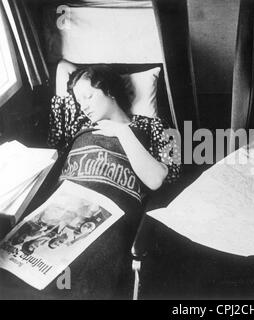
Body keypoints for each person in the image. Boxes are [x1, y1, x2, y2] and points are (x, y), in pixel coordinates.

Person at [0, 64, 181, 299]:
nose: (83, 105)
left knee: (78, 283)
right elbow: (63, 72)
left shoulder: (157, 127)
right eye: (79, 100)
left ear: (111, 91)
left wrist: (124, 133)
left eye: (89, 96)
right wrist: (75, 75)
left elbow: (161, 178)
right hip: (60, 208)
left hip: (111, 217)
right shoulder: (78, 125)